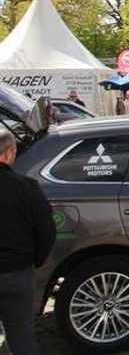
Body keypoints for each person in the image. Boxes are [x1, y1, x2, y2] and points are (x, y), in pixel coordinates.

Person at [0, 128, 56, 355]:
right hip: (17, 271)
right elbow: (47, 231)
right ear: (8, 153)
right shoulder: (26, 187)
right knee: (21, 335)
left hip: (18, 267)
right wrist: (33, 260)